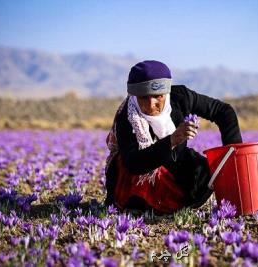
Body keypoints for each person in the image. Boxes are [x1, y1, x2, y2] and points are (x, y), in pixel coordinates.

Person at [103, 60, 242, 214]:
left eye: (158, 97)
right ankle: (143, 207)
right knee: (128, 172)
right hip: (138, 171)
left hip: (174, 161)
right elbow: (134, 163)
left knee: (206, 171)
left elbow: (224, 112)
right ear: (134, 95)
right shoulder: (128, 116)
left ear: (166, 92)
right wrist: (172, 140)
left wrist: (233, 155)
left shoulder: (180, 97)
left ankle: (175, 204)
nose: (151, 105)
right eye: (143, 98)